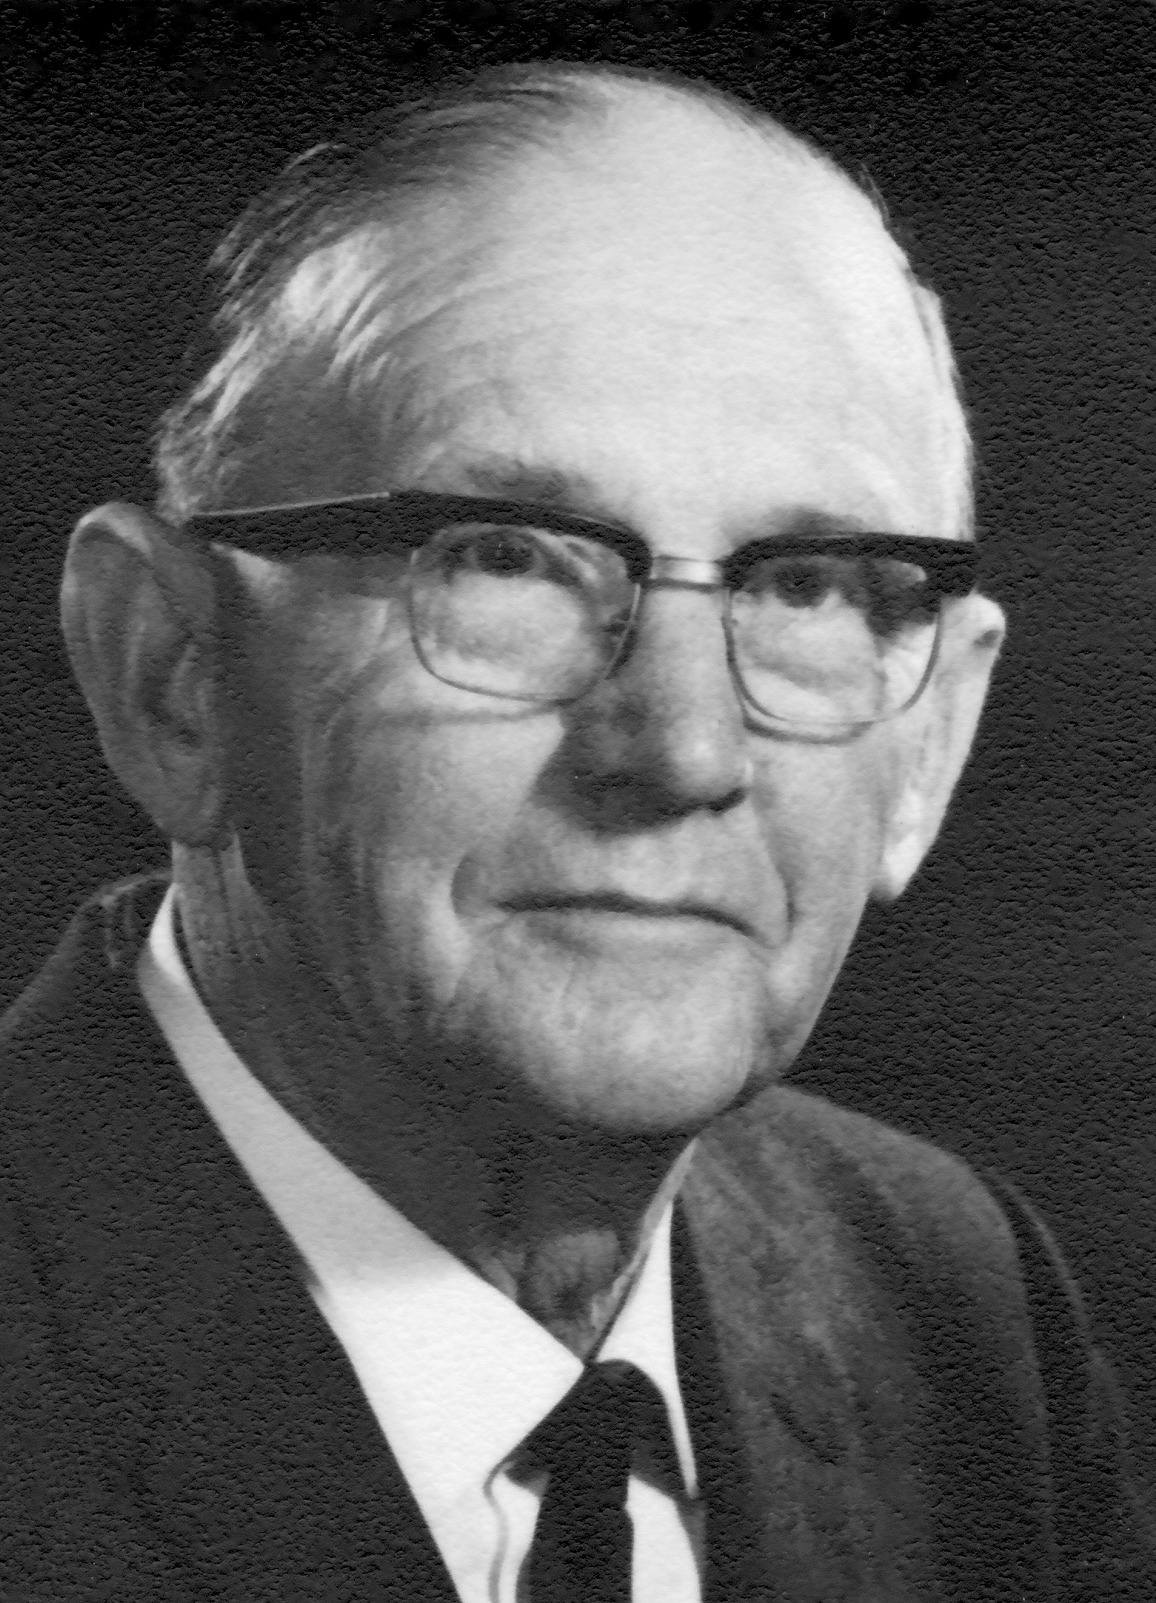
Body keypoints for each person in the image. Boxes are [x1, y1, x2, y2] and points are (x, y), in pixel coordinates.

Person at [0, 61, 1147, 1603]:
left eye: (806, 585)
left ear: (929, 741)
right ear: (173, 680)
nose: (681, 749)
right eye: (507, 559)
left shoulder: (954, 1301)